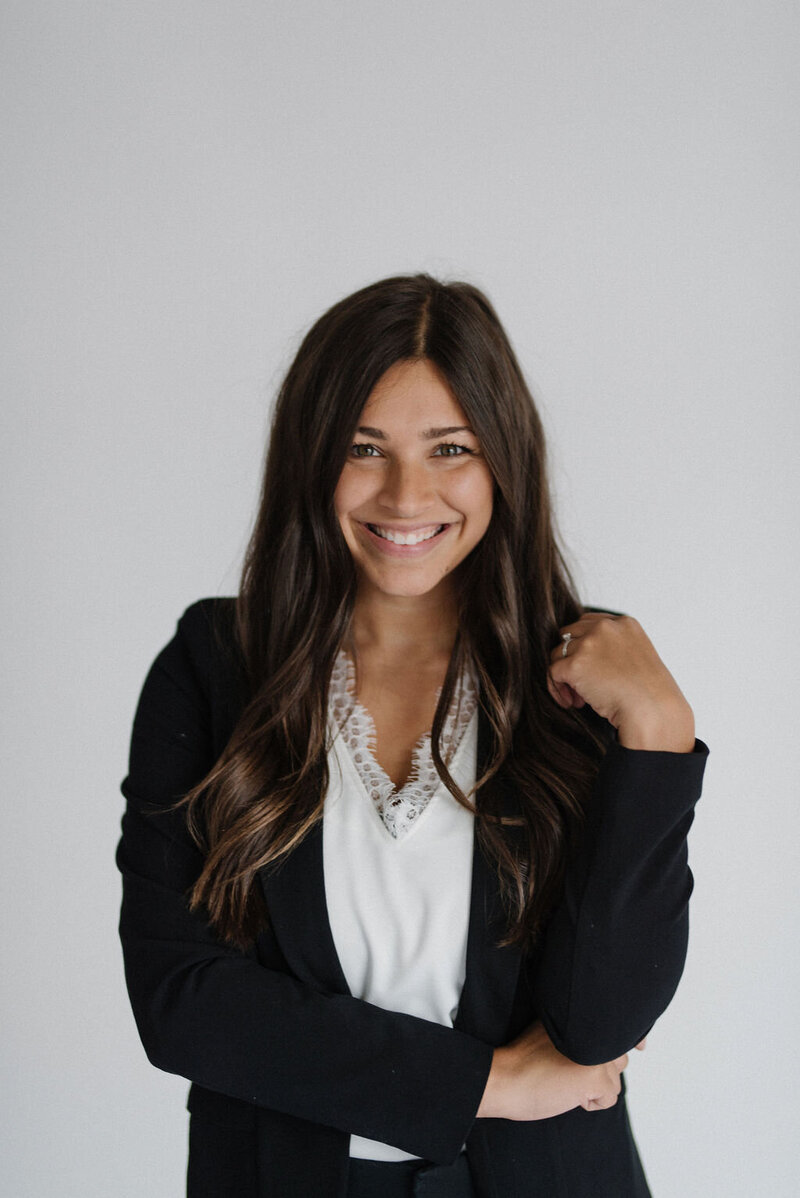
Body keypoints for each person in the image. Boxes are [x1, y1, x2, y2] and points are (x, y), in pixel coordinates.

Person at [117, 274, 707, 1198]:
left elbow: (596, 1029)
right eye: (365, 448)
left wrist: (661, 738)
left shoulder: (588, 682)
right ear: (311, 458)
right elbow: (182, 1002)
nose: (406, 494)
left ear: (501, 460)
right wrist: (489, 1084)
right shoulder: (216, 665)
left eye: (449, 448)